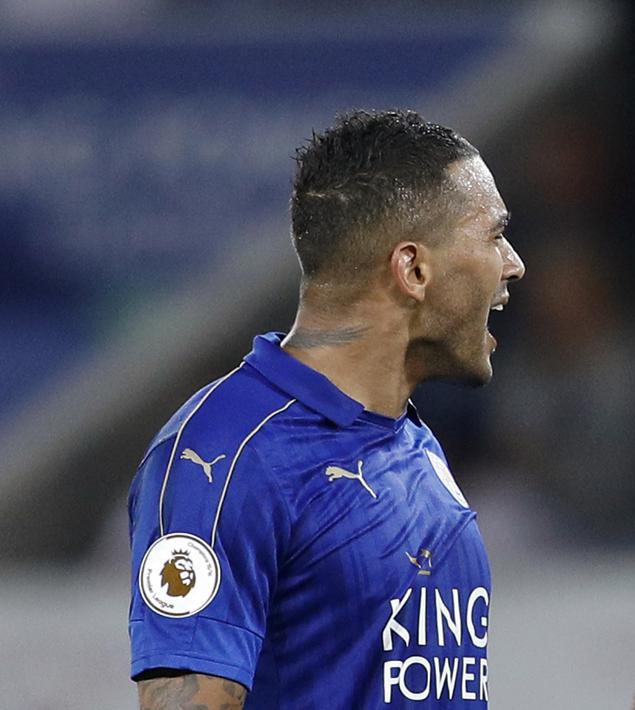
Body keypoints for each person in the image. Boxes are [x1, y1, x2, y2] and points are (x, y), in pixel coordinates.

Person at [128, 110, 524, 709]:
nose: (513, 263)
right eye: (494, 235)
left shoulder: (411, 445)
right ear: (413, 269)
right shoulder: (222, 458)